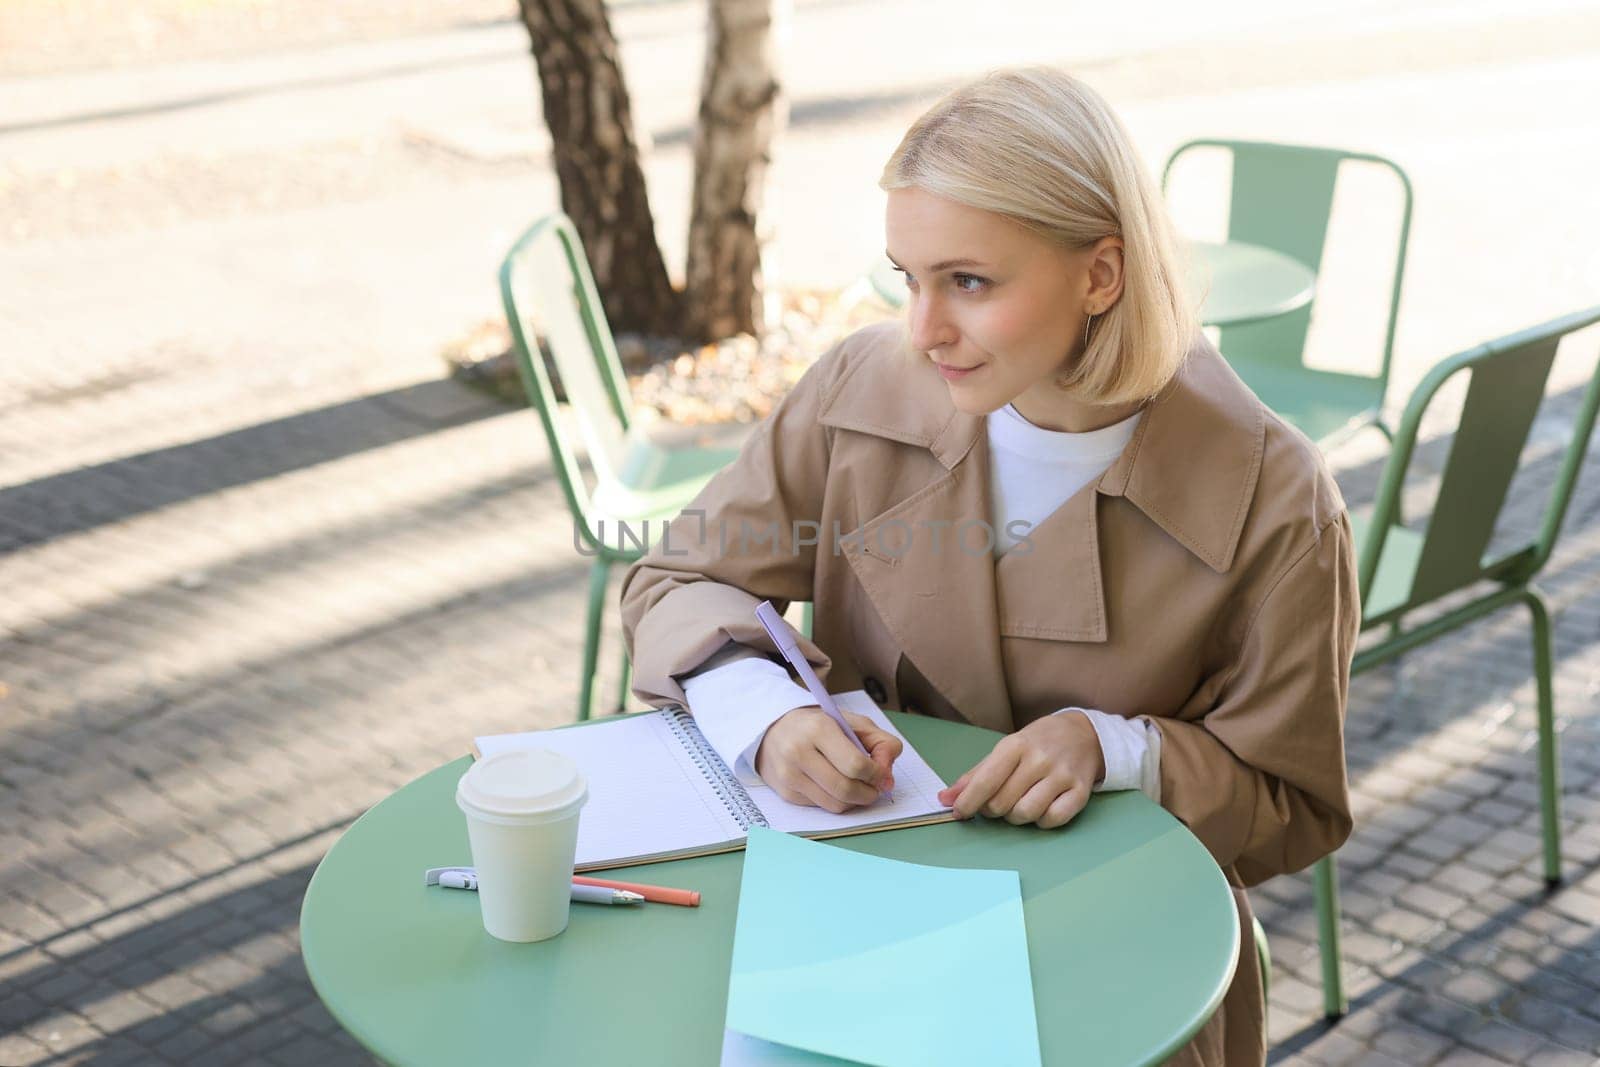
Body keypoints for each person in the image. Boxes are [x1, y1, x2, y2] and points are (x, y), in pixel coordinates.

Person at [620, 66, 1356, 1066]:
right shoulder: (858, 384)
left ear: (1101, 275)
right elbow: (676, 578)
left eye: (968, 281)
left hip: (1114, 963)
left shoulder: (1274, 494)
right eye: (906, 278)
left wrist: (1118, 749)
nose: (922, 331)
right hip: (845, 934)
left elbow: (1293, 803)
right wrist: (766, 712)